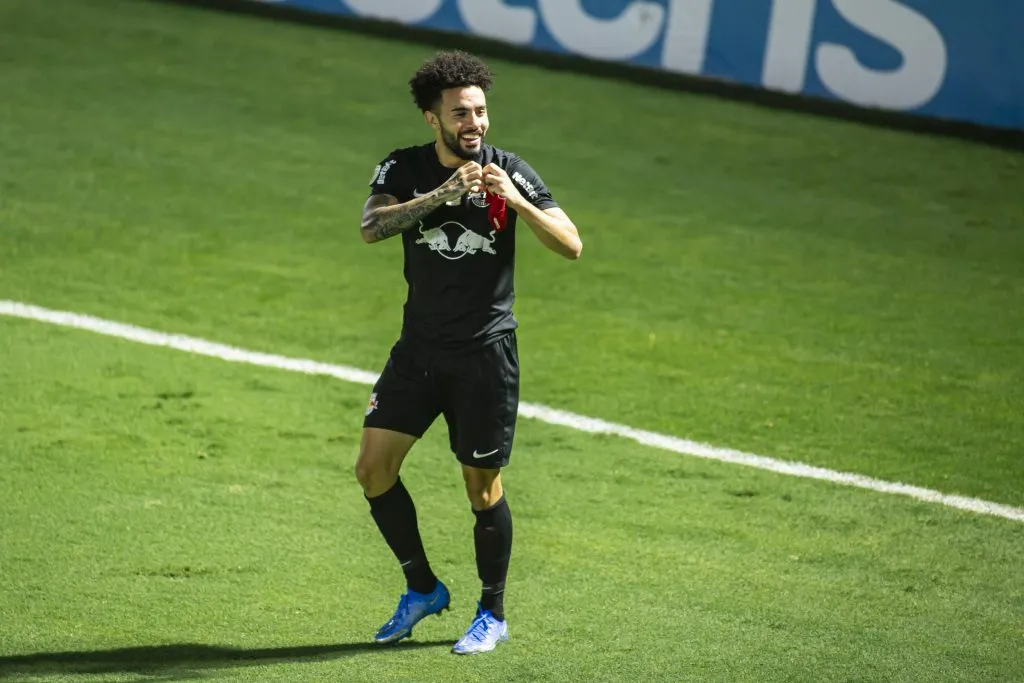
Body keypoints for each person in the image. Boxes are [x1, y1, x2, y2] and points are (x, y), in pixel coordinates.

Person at [355, 49, 582, 655]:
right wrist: (442, 194)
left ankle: (492, 613)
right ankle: (422, 589)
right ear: (433, 118)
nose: (474, 123)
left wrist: (520, 203)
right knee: (373, 471)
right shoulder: (403, 166)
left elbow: (572, 244)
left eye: (480, 111)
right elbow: (371, 228)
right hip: (418, 350)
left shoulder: (509, 169)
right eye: (460, 113)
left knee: (482, 489)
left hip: (484, 356)